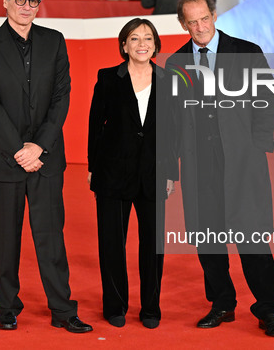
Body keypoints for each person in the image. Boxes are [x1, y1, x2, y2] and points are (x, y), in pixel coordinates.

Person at [0, 0, 92, 334]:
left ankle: (62, 309)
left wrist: (39, 146)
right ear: (5, 1)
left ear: (40, 5)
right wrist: (18, 150)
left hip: (46, 157)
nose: (26, 6)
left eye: (33, 1)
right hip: (3, 159)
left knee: (51, 237)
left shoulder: (55, 42)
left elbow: (61, 98)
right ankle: (7, 306)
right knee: (5, 239)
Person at [166, 0, 274, 336]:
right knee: (208, 240)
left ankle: (268, 310)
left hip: (242, 162)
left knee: (253, 239)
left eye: (204, 18)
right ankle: (222, 304)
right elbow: (172, 122)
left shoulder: (246, 52)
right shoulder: (176, 63)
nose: (200, 26)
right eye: (192, 22)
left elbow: (268, 99)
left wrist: (255, 145)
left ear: (214, 15)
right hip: (199, 164)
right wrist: (170, 170)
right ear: (183, 24)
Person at [88, 18, 177, 329]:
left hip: (153, 172)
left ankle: (151, 308)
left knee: (153, 246)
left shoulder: (169, 80)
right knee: (112, 243)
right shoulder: (108, 78)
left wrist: (170, 175)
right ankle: (115, 305)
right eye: (135, 38)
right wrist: (92, 168)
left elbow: (173, 132)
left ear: (155, 44)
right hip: (112, 173)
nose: (142, 44)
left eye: (148, 38)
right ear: (123, 45)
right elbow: (95, 126)